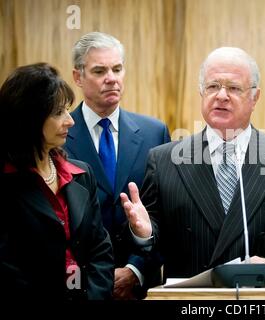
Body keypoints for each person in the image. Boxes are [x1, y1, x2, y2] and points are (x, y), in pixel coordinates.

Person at [120, 47, 265, 280]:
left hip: (262, 295)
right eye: (212, 86)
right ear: (201, 91)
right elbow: (155, 236)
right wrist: (145, 234)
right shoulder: (164, 160)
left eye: (233, 88)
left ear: (255, 97)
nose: (221, 95)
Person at [64, 32, 171, 299]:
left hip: (140, 287)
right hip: (78, 287)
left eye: (117, 69)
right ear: (78, 77)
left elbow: (165, 213)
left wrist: (135, 270)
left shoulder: (154, 133)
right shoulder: (59, 136)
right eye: (99, 71)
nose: (111, 78)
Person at [0, 63, 114, 300]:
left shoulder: (82, 173)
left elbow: (100, 250)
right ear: (28, 119)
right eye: (57, 112)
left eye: (67, 110)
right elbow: (6, 267)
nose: (70, 121)